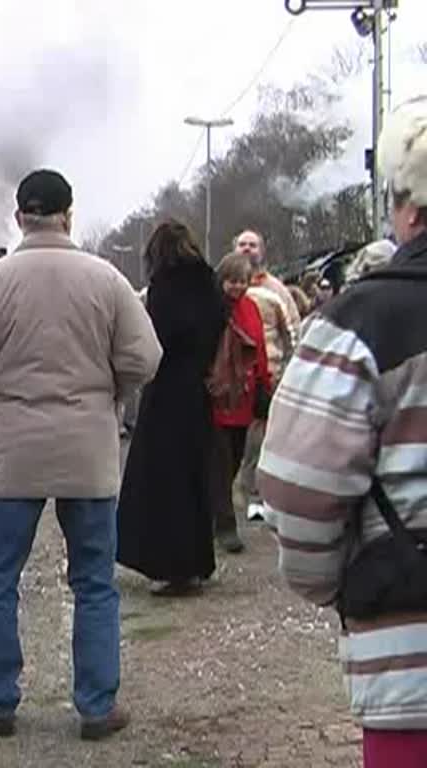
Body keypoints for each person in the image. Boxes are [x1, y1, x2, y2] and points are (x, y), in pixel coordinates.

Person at [0, 169, 161, 741]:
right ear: (69, 214)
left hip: (14, 451)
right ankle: (95, 705)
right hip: (87, 450)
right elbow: (145, 358)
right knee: (92, 580)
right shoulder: (105, 279)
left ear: (20, 218)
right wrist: (107, 389)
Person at [258, 96, 427, 768]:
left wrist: (339, 581)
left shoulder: (365, 322)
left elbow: (298, 490)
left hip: (412, 665)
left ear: (408, 207)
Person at [117, 220, 225, 596]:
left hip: (165, 390)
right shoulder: (208, 281)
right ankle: (196, 561)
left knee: (160, 479)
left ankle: (166, 562)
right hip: (197, 389)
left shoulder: (163, 286)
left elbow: (154, 337)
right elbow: (217, 326)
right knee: (194, 475)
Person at [207, 252, 271, 554]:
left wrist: (263, 387)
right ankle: (224, 524)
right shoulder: (214, 310)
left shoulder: (251, 309)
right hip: (219, 397)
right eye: (232, 281)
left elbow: (259, 350)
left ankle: (212, 514)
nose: (237, 286)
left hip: (244, 397)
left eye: (243, 281)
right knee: (220, 462)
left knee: (233, 459)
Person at [232, 230, 297, 521]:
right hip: (232, 381)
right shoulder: (224, 287)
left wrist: (292, 370)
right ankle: (233, 496)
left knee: (264, 441)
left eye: (253, 244)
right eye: (242, 245)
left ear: (262, 250)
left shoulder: (276, 290)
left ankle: (259, 497)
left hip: (270, 378)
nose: (247, 249)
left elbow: (292, 331)